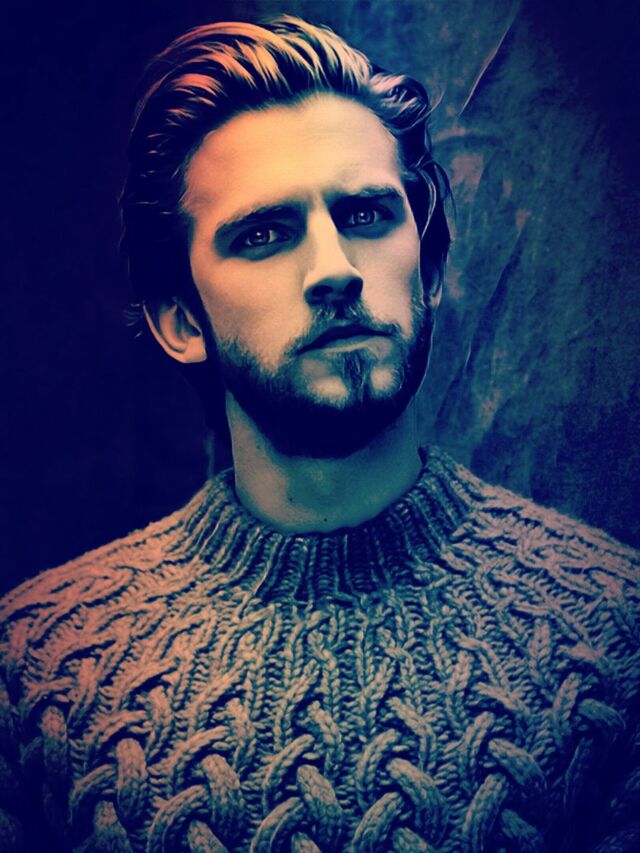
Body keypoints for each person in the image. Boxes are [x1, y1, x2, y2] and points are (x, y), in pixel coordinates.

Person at [0, 15, 638, 853]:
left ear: (429, 268)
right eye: (263, 233)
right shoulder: (41, 666)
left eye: (366, 213)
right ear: (180, 320)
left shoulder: (610, 633)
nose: (335, 268)